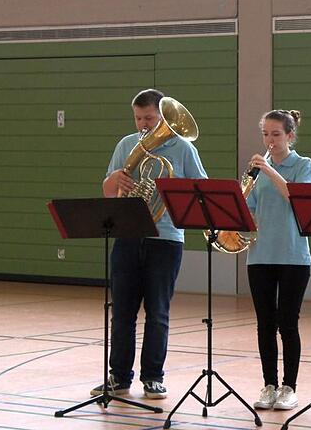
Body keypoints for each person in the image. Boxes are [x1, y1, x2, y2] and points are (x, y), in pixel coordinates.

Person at [92, 89, 208, 399]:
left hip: (166, 238)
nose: (143, 124)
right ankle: (118, 376)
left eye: (150, 118)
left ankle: (153, 376)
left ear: (162, 116)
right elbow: (107, 191)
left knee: (158, 312)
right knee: (122, 312)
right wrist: (116, 177)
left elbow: (200, 191)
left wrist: (172, 190)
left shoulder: (183, 148)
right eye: (138, 118)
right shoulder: (126, 145)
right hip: (128, 235)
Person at [247, 110, 311, 411]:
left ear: (289, 136)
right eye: (266, 134)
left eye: (276, 135)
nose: (270, 141)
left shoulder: (304, 165)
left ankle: (290, 386)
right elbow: (249, 208)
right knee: (265, 324)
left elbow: (295, 197)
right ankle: (269, 384)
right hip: (260, 254)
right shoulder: (258, 171)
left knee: (288, 323)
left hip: (293, 255)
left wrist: (269, 170)